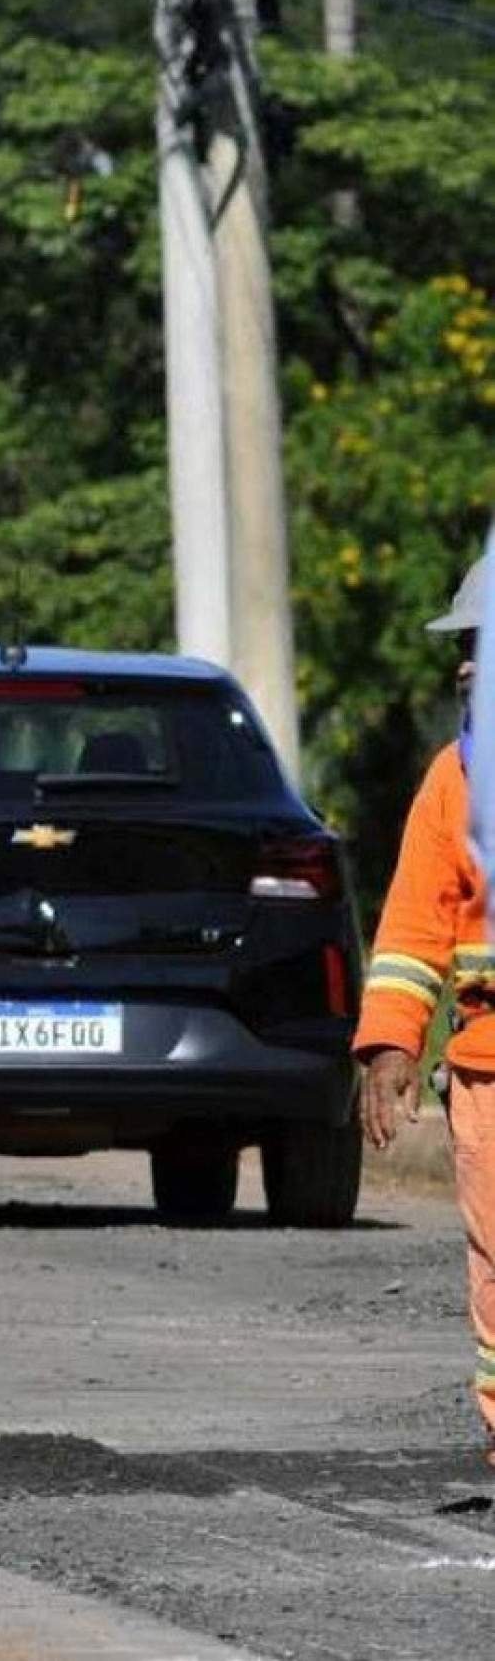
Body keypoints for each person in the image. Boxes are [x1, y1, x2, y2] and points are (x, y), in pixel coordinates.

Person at [356, 558, 495, 1471]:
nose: (467, 666)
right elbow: (412, 925)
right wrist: (388, 1044)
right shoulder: (454, 779)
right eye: (468, 649)